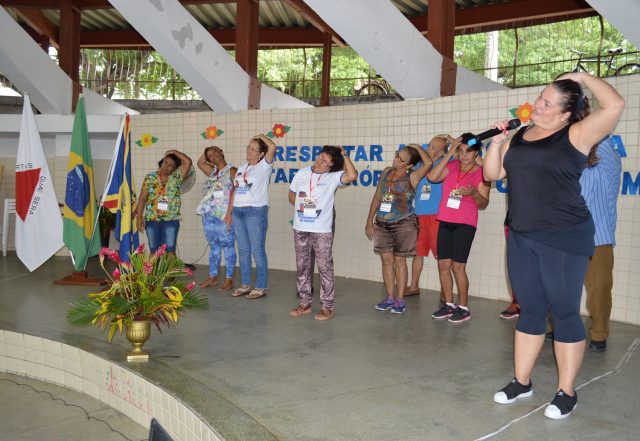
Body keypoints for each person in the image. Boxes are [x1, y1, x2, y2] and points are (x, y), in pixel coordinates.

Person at [485, 72, 624, 419]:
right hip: (521, 236)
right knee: (531, 310)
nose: (538, 105)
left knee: (564, 313)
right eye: (540, 97)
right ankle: (521, 381)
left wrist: (582, 76)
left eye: (548, 103)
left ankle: (566, 392)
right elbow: (492, 174)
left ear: (565, 114)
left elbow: (615, 104)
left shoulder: (577, 134)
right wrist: (497, 144)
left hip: (563, 237)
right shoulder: (521, 135)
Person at [288, 146, 358, 320]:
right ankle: (304, 303)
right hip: (301, 227)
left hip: (321, 230)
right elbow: (291, 195)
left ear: (332, 165)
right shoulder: (302, 173)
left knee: (325, 267)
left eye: (326, 160)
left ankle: (327, 306)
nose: (321, 160)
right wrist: (302, 207)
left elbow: (352, 175)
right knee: (302, 266)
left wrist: (344, 155)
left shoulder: (333, 177)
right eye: (321, 156)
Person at [428, 134, 490, 323]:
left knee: (458, 267)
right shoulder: (452, 165)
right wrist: (450, 154)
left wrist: (473, 193)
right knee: (443, 265)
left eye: (468, 152)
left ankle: (463, 308)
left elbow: (484, 203)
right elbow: (432, 177)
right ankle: (449, 304)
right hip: (445, 219)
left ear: (476, 153)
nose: (464, 155)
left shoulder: (483, 172)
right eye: (460, 151)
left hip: (465, 223)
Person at [366, 144, 433, 314]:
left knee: (399, 261)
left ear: (409, 165)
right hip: (382, 223)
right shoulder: (386, 172)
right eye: (397, 155)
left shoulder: (413, 176)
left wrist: (418, 148)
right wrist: (369, 220)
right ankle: (389, 297)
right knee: (386, 261)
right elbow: (378, 196)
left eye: (401, 159)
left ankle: (400, 300)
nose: (396, 160)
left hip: (404, 224)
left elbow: (428, 164)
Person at [406, 136, 451, 308]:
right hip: (419, 214)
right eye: (429, 145)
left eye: (432, 147)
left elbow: (458, 151)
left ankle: (444, 290)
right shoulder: (420, 165)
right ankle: (414, 286)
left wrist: (450, 140)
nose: (428, 148)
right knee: (418, 252)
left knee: (441, 254)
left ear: (442, 152)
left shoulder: (446, 163)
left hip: (436, 215)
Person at [232, 134, 276, 299]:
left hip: (255, 211)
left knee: (257, 250)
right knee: (243, 250)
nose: (249, 151)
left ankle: (260, 286)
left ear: (261, 154)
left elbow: (272, 147)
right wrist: (230, 212)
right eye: (248, 148)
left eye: (253, 149)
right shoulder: (242, 167)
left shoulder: (264, 166)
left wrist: (261, 136)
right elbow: (235, 190)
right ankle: (245, 285)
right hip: (238, 211)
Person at [196, 146, 237, 291]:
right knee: (214, 247)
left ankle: (229, 279)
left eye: (215, 152)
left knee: (228, 246)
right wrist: (208, 154)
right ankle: (212, 277)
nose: (213, 155)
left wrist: (229, 214)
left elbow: (236, 192)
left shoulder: (232, 171)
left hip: (224, 215)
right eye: (210, 156)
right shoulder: (212, 172)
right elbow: (200, 162)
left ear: (221, 151)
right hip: (209, 215)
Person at [136, 150, 192, 254]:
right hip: (152, 219)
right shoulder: (150, 177)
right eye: (165, 162)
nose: (167, 166)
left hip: (171, 220)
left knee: (170, 251)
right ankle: (155, 266)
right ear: (162, 161)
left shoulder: (177, 178)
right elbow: (142, 198)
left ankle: (169, 266)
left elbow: (188, 162)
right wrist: (139, 218)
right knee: (154, 251)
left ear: (175, 168)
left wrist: (174, 152)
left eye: (171, 165)